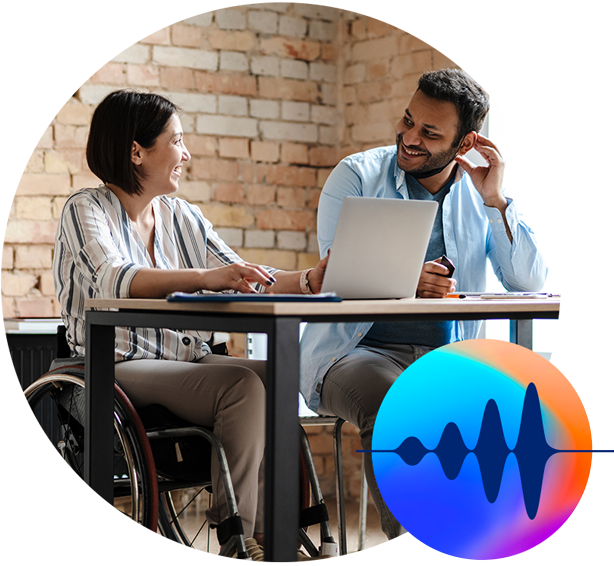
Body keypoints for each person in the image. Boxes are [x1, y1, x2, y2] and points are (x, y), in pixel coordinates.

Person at [53, 89, 331, 561]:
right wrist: (205, 278)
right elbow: (114, 279)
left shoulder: (184, 217)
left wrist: (309, 278)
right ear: (136, 151)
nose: (186, 154)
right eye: (177, 141)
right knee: (241, 384)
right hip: (112, 363)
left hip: (185, 364)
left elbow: (240, 274)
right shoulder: (86, 210)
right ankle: (237, 534)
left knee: (278, 375)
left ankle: (271, 532)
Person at [300, 68, 547, 563]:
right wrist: (405, 280)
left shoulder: (478, 197)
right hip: (354, 354)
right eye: (409, 121)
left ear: (463, 143)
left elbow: (528, 281)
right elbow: (336, 272)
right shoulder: (357, 175)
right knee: (398, 403)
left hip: (447, 358)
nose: (409, 139)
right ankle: (420, 558)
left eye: (430, 133)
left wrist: (495, 200)